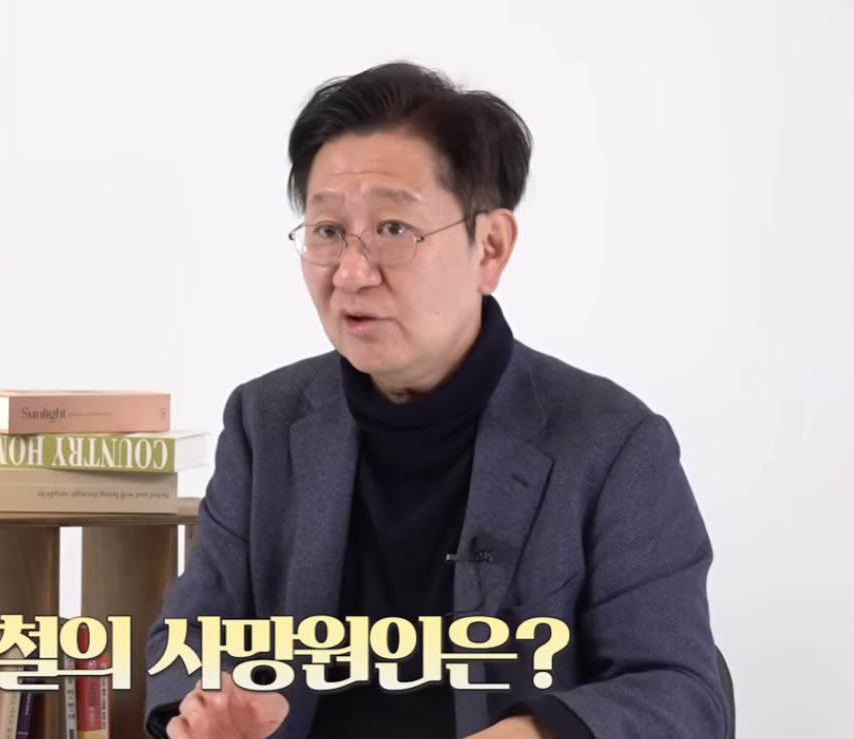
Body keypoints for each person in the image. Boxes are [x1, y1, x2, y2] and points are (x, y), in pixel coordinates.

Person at [144, 61, 729, 739]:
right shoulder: (265, 420)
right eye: (328, 230)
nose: (351, 272)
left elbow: (681, 694)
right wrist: (214, 709)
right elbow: (186, 641)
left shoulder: (610, 442)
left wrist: (535, 732)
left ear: (490, 247)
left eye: (394, 228)